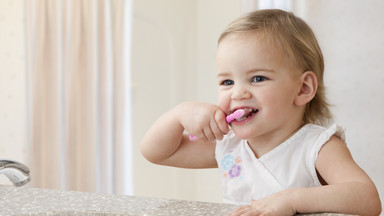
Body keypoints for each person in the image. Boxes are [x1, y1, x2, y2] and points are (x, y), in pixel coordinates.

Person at [140, 9, 381, 215]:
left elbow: (367, 199)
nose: (237, 94)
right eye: (227, 82)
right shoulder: (229, 146)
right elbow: (156, 152)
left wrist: (293, 200)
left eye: (257, 78)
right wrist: (179, 114)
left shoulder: (317, 147)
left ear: (303, 88)